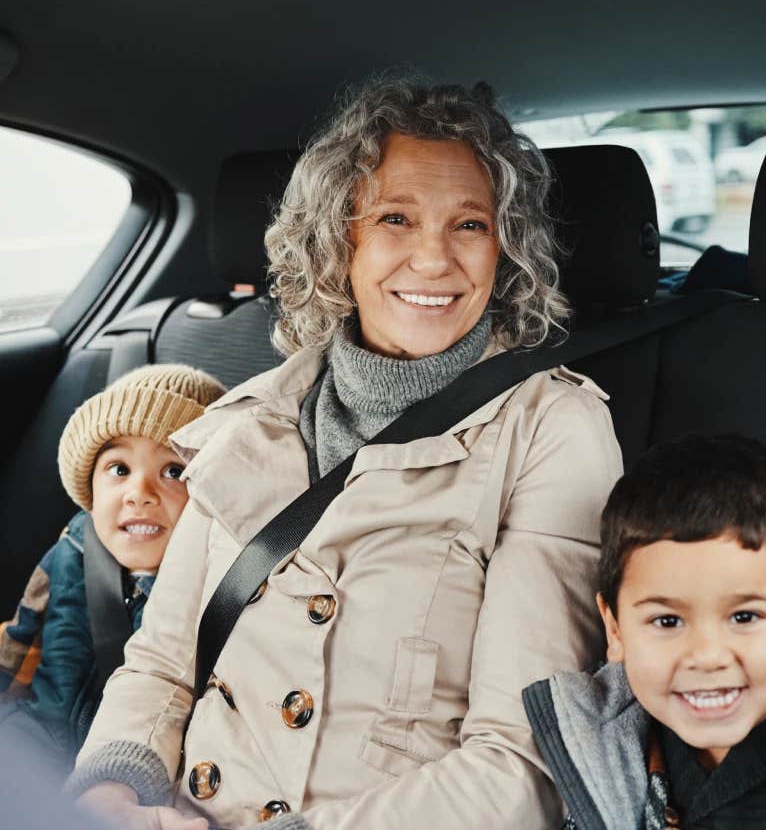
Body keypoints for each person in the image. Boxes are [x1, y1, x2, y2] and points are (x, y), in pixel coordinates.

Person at [66, 75, 623, 830]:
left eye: (469, 225)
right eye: (396, 217)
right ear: (339, 240)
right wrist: (111, 795)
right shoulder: (242, 421)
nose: (434, 259)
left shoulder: (553, 428)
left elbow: (525, 761)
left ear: (505, 250)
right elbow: (162, 666)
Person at [524, 434, 766, 830]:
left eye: (744, 617)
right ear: (615, 629)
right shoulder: (597, 759)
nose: (707, 655)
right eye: (667, 621)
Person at [0, 364, 226, 771]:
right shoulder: (72, 549)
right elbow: (18, 649)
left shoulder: (220, 582)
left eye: (174, 471)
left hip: (137, 773)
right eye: (119, 470)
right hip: (38, 747)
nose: (139, 493)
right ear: (90, 488)